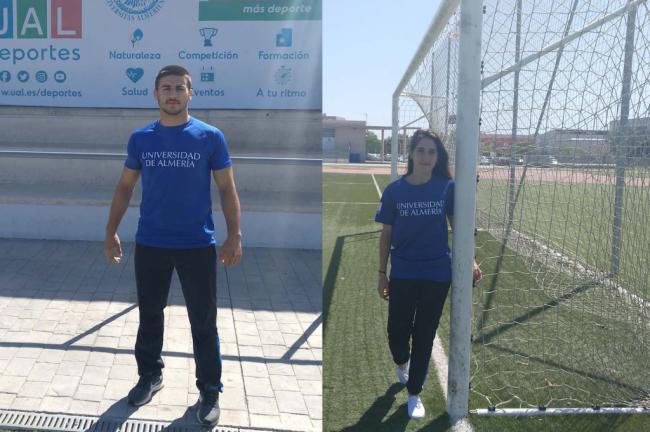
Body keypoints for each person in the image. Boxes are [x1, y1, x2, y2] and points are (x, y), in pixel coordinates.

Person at [103, 65, 242, 427]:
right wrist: (111, 230)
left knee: (204, 321)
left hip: (197, 244)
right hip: (151, 243)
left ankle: (210, 389)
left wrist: (235, 234)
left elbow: (227, 188)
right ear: (155, 94)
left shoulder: (210, 137)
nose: (172, 94)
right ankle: (150, 376)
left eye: (179, 88)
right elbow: (124, 187)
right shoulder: (141, 139)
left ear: (190, 94)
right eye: (166, 88)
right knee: (149, 314)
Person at [374, 129, 481, 420]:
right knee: (397, 332)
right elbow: (386, 235)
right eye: (421, 151)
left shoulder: (447, 188)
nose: (426, 157)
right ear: (411, 154)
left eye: (431, 152)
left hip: (436, 274)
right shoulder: (395, 191)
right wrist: (382, 273)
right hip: (404, 273)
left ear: (438, 156)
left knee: (424, 334)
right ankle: (402, 362)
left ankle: (414, 393)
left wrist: (470, 261)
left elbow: (458, 229)